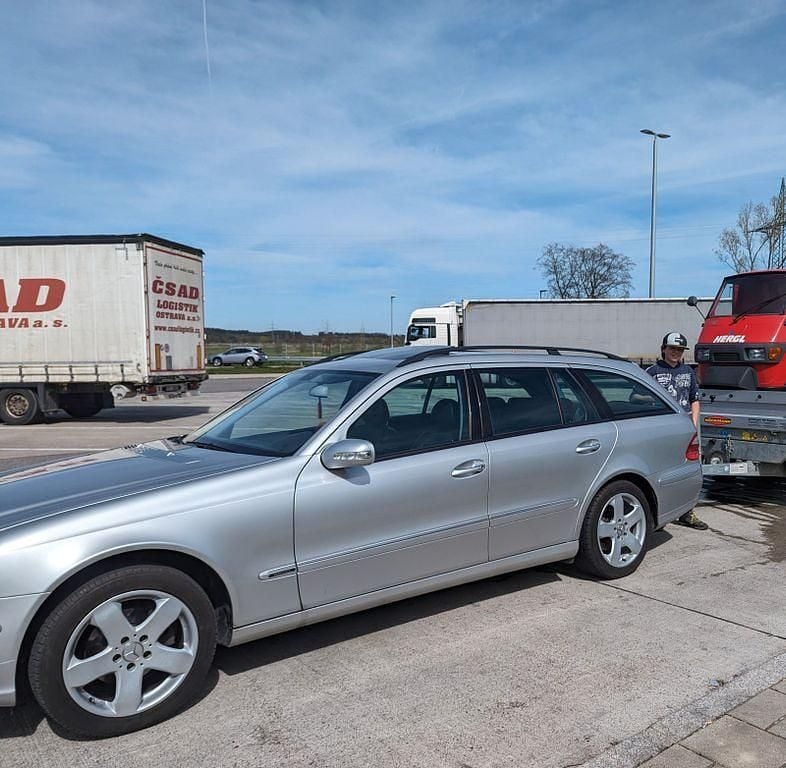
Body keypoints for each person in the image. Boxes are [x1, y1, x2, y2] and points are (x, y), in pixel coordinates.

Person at [646, 331, 708, 530]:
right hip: (661, 430)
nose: (675, 352)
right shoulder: (652, 372)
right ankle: (660, 515)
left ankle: (687, 512)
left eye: (680, 349)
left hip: (684, 430)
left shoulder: (688, 372)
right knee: (660, 473)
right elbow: (636, 398)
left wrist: (693, 425)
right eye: (672, 348)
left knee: (686, 472)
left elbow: (694, 399)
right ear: (663, 349)